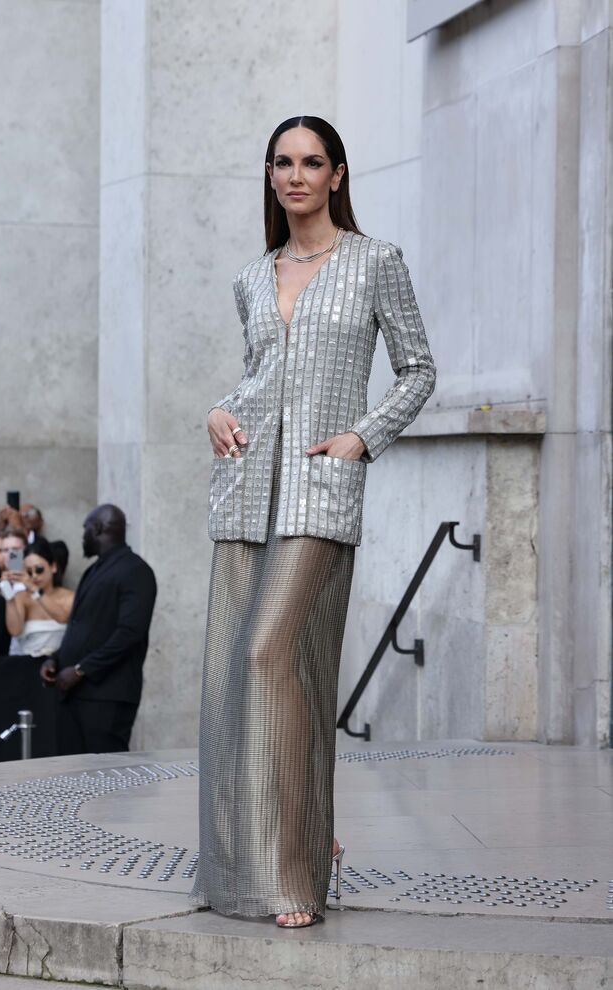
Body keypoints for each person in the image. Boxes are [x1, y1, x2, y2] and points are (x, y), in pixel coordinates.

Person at [190, 116, 436, 929]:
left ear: (337, 175)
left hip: (320, 491)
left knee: (271, 656)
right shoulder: (253, 278)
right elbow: (258, 380)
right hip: (244, 488)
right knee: (241, 674)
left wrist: (363, 436)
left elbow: (418, 370)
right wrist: (219, 412)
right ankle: (255, 861)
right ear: (270, 175)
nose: (297, 175)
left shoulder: (376, 264)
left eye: (312, 162)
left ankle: (293, 876)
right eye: (283, 162)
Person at [39, 504, 157, 754]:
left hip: (107, 697)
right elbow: (81, 628)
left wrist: (81, 670)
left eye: (85, 529)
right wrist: (55, 660)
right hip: (75, 695)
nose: (82, 536)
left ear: (99, 528)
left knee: (106, 777)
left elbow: (129, 633)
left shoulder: (135, 571)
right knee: (76, 778)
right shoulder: (94, 571)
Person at [3, 537, 73, 657]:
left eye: (39, 570)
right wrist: (7, 590)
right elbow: (14, 630)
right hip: (26, 664)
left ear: (53, 567)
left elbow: (61, 617)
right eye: (29, 572)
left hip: (59, 664)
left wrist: (35, 590)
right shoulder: (21, 597)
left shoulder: (69, 596)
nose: (34, 576)